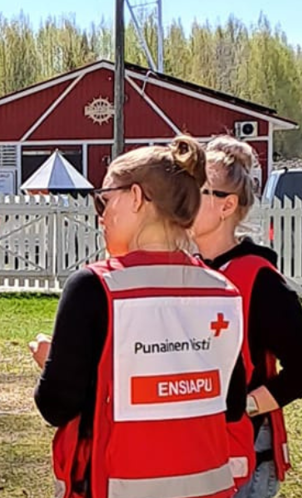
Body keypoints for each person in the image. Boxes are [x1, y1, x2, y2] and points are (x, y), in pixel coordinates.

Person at [30, 136, 248, 498]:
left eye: (104, 199)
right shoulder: (223, 292)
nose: (101, 215)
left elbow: (56, 405)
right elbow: (232, 405)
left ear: (135, 197)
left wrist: (52, 363)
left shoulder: (95, 288)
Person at [190, 137, 302, 498]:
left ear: (227, 205)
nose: (184, 200)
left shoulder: (258, 278)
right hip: (199, 449)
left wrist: (245, 406)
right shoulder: (190, 271)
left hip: (246, 456)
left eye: (197, 191)